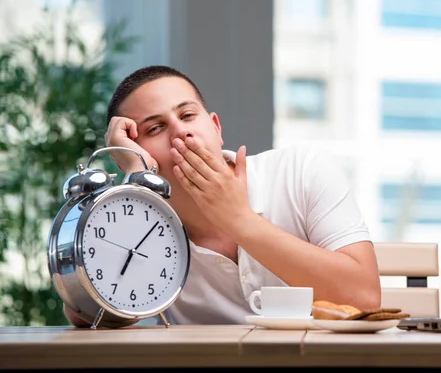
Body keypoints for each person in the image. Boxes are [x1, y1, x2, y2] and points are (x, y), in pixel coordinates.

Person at [63, 65, 381, 326]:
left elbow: (364, 297)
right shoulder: (144, 223)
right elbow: (88, 313)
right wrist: (136, 183)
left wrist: (237, 219)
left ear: (215, 127)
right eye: (155, 129)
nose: (181, 132)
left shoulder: (301, 171)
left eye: (187, 115)